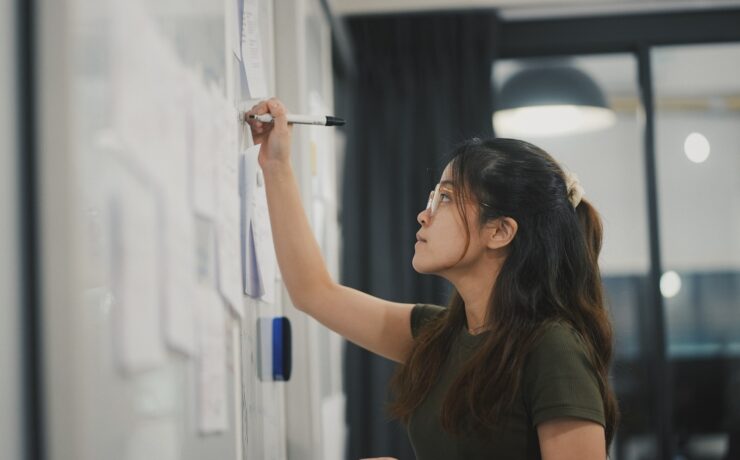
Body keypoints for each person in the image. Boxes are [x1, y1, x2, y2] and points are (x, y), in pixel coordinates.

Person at [246, 97, 619, 460]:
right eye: (432, 198)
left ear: (500, 231)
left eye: (446, 199)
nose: (424, 216)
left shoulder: (553, 347)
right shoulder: (440, 335)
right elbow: (314, 292)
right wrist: (276, 165)